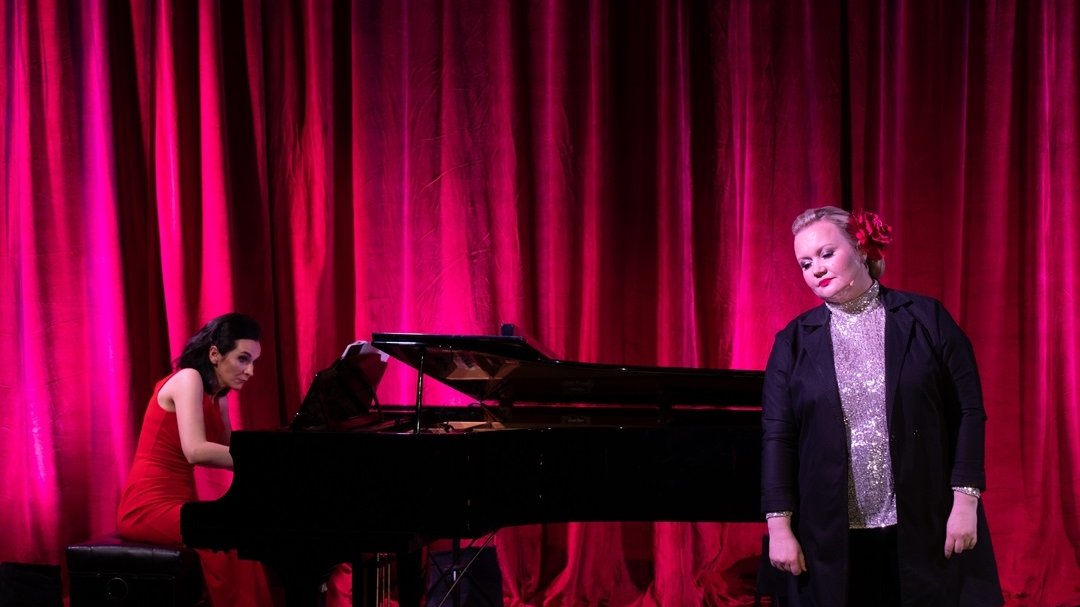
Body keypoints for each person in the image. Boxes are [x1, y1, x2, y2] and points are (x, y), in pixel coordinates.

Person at [761, 206, 1003, 606]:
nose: (815, 269)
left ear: (860, 247)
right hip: (829, 534)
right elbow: (777, 437)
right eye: (804, 263)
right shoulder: (793, 342)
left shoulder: (927, 319)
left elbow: (969, 413)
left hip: (925, 521)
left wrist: (965, 502)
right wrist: (779, 527)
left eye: (826, 253)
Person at [117, 312, 279, 606]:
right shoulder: (188, 378)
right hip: (146, 507)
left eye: (254, 361)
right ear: (215, 354)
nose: (251, 371)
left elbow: (234, 454)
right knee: (229, 542)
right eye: (244, 358)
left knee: (249, 537)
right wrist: (266, 459)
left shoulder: (220, 397)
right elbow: (196, 449)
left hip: (180, 505)